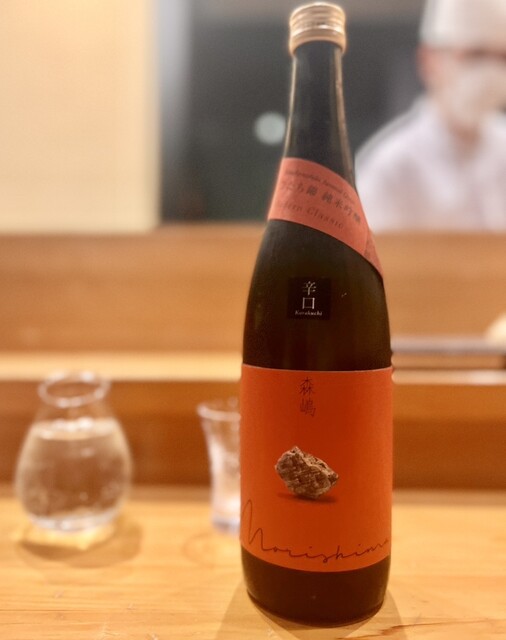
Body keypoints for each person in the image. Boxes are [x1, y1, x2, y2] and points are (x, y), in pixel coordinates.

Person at [356, 0, 506, 232]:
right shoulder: (389, 168)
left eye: (503, 57)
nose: (491, 72)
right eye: (476, 54)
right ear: (428, 60)